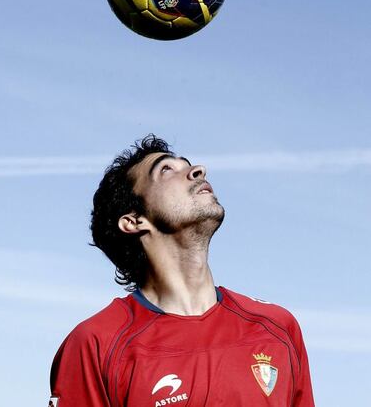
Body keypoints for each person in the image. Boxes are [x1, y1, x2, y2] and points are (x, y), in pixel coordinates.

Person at [49, 134, 315, 407]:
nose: (197, 170)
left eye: (186, 164)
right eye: (166, 170)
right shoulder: (96, 344)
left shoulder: (278, 327)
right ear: (133, 221)